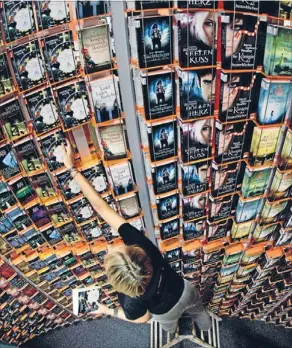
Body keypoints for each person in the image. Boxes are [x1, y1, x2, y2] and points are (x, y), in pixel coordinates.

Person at [61, 140, 211, 333]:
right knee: (198, 310)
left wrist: (108, 310)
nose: (110, 247)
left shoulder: (128, 299)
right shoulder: (143, 246)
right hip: (184, 290)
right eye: (117, 249)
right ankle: (206, 327)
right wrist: (72, 169)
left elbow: (143, 319)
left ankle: (176, 333)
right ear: (136, 252)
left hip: (164, 312)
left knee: (169, 328)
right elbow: (100, 208)